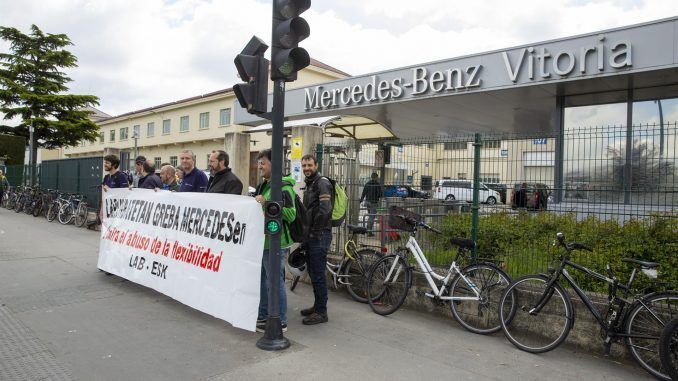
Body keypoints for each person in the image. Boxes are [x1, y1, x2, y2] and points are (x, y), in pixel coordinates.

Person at [254, 149, 296, 333]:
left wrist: (267, 203)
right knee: (265, 281)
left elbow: (291, 214)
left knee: (274, 282)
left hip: (276, 243)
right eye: (259, 163)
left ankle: (280, 320)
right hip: (264, 242)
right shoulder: (265, 185)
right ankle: (264, 315)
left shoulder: (284, 188)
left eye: (263, 162)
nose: (259, 166)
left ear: (274, 165)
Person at [300, 154, 333, 325]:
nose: (306, 168)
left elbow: (325, 210)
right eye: (304, 165)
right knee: (313, 272)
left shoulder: (322, 183)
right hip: (312, 235)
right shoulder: (310, 184)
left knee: (318, 274)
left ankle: (321, 312)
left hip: (319, 235)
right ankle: (317, 306)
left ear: (316, 165)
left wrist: (314, 231)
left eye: (309, 165)